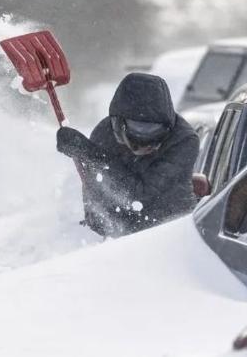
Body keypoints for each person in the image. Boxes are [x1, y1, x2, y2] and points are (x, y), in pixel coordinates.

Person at [56, 73, 200, 237]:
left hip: (168, 232)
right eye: (137, 133)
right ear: (118, 125)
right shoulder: (105, 133)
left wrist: (91, 155)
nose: (146, 144)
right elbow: (95, 189)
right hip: (113, 237)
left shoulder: (184, 141)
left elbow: (138, 197)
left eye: (154, 134)